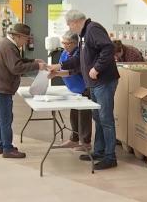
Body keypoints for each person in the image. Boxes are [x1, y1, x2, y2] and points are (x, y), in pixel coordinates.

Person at [48, 10, 120, 170]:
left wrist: (97, 68)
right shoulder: (83, 35)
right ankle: (99, 151)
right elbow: (78, 59)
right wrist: (59, 66)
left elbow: (108, 48)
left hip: (104, 81)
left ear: (76, 21)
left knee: (105, 119)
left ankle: (110, 156)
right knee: (98, 118)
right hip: (94, 84)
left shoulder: (93, 29)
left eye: (69, 24)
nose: (69, 27)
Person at [0, 23, 46, 159]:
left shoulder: (8, 44)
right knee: (6, 119)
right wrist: (36, 65)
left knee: (1, 118)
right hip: (3, 88)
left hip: (0, 86)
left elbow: (16, 61)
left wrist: (33, 60)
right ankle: (7, 149)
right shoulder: (9, 46)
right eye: (26, 39)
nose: (26, 42)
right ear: (19, 36)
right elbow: (15, 67)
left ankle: (1, 145)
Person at [48, 31, 93, 151]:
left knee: (84, 116)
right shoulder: (64, 52)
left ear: (74, 43)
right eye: (63, 42)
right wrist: (56, 73)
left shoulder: (80, 53)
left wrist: (57, 70)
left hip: (84, 89)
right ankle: (74, 139)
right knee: (74, 115)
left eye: (67, 43)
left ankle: (86, 143)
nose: (64, 45)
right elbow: (65, 69)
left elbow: (73, 68)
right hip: (74, 90)